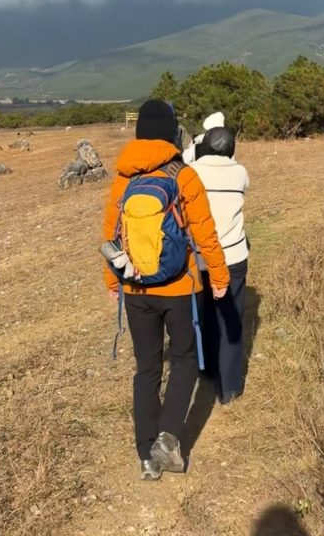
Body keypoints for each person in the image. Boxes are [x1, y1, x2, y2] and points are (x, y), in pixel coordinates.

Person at [102, 99, 229, 480]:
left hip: (136, 289)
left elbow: (111, 234)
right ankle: (168, 438)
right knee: (185, 359)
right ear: (172, 131)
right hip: (180, 287)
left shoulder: (123, 178)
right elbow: (205, 232)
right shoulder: (183, 174)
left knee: (146, 368)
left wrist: (113, 280)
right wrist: (219, 278)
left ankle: (146, 456)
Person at [192, 126, 250, 404]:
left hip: (201, 257)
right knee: (231, 318)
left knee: (205, 313)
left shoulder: (192, 172)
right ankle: (229, 387)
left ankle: (208, 368)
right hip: (233, 257)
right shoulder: (240, 172)